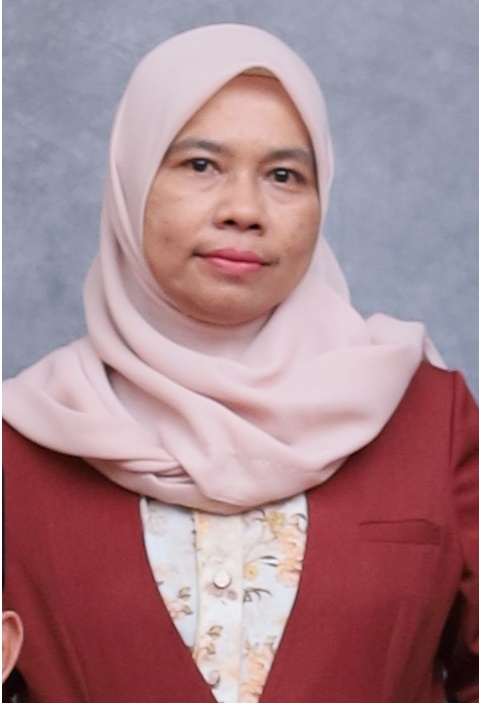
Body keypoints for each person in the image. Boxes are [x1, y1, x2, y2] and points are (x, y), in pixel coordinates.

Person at [2, 23, 478, 703]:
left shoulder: (426, 414)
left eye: (284, 175)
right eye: (200, 165)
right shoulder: (21, 442)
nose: (244, 211)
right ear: (131, 181)